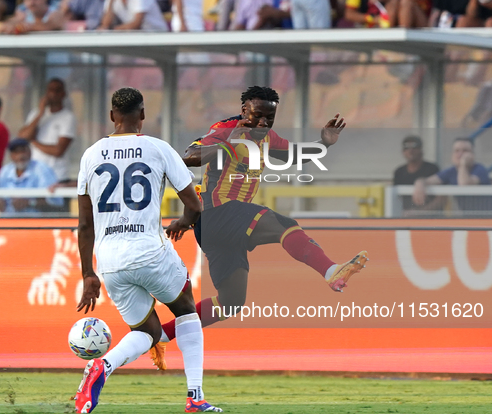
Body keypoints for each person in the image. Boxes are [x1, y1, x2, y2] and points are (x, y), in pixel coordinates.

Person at [150, 86, 368, 370]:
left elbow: (294, 154)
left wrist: (324, 143)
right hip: (218, 214)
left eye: (269, 118)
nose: (263, 124)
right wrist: (230, 143)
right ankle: (330, 270)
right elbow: (189, 155)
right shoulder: (225, 129)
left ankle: (160, 335)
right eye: (257, 117)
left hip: (221, 227)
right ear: (244, 112)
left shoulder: (266, 136)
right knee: (285, 226)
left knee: (231, 302)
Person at [74, 87, 222, 414]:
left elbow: (85, 225)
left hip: (110, 260)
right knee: (185, 308)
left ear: (112, 116)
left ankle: (103, 366)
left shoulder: (91, 155)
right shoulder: (157, 148)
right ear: (142, 115)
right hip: (149, 250)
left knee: (148, 331)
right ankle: (195, 396)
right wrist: (184, 220)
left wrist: (88, 273)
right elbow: (194, 204)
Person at [413, 137, 492, 213]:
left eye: (465, 151)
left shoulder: (480, 169)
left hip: (491, 218)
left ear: (472, 154)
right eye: (456, 151)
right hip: (471, 219)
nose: (460, 154)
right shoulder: (451, 171)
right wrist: (419, 183)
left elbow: (464, 185)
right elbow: (428, 180)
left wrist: (463, 164)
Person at [18, 78, 76, 185]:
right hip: (35, 176)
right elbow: (22, 137)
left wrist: (34, 142)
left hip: (57, 177)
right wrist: (40, 114)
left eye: (57, 90)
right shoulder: (36, 114)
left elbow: (58, 150)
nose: (53, 94)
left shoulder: (68, 117)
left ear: (63, 94)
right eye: (50, 90)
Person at [0, 138, 63, 214]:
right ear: (11, 155)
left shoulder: (41, 169)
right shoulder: (5, 171)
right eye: (16, 152)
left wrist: (30, 203)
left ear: (30, 152)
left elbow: (55, 203)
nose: (20, 155)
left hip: (35, 223)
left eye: (23, 151)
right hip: (7, 223)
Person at [393, 135, 441, 214]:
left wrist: (420, 212)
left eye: (414, 147)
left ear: (421, 150)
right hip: (405, 217)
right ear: (403, 152)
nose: (410, 151)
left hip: (430, 217)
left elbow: (442, 198)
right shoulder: (399, 172)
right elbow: (396, 198)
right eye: (406, 148)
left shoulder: (432, 169)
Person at [0, 0, 64, 34]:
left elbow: (48, 25)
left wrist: (27, 26)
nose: (31, 2)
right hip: (34, 54)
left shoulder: (56, 12)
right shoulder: (23, 14)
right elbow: (5, 26)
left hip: (57, 55)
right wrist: (11, 26)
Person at [100, 0, 168, 30]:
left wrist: (115, 29)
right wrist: (111, 3)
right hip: (137, 36)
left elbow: (137, 23)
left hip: (157, 34)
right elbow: (106, 24)